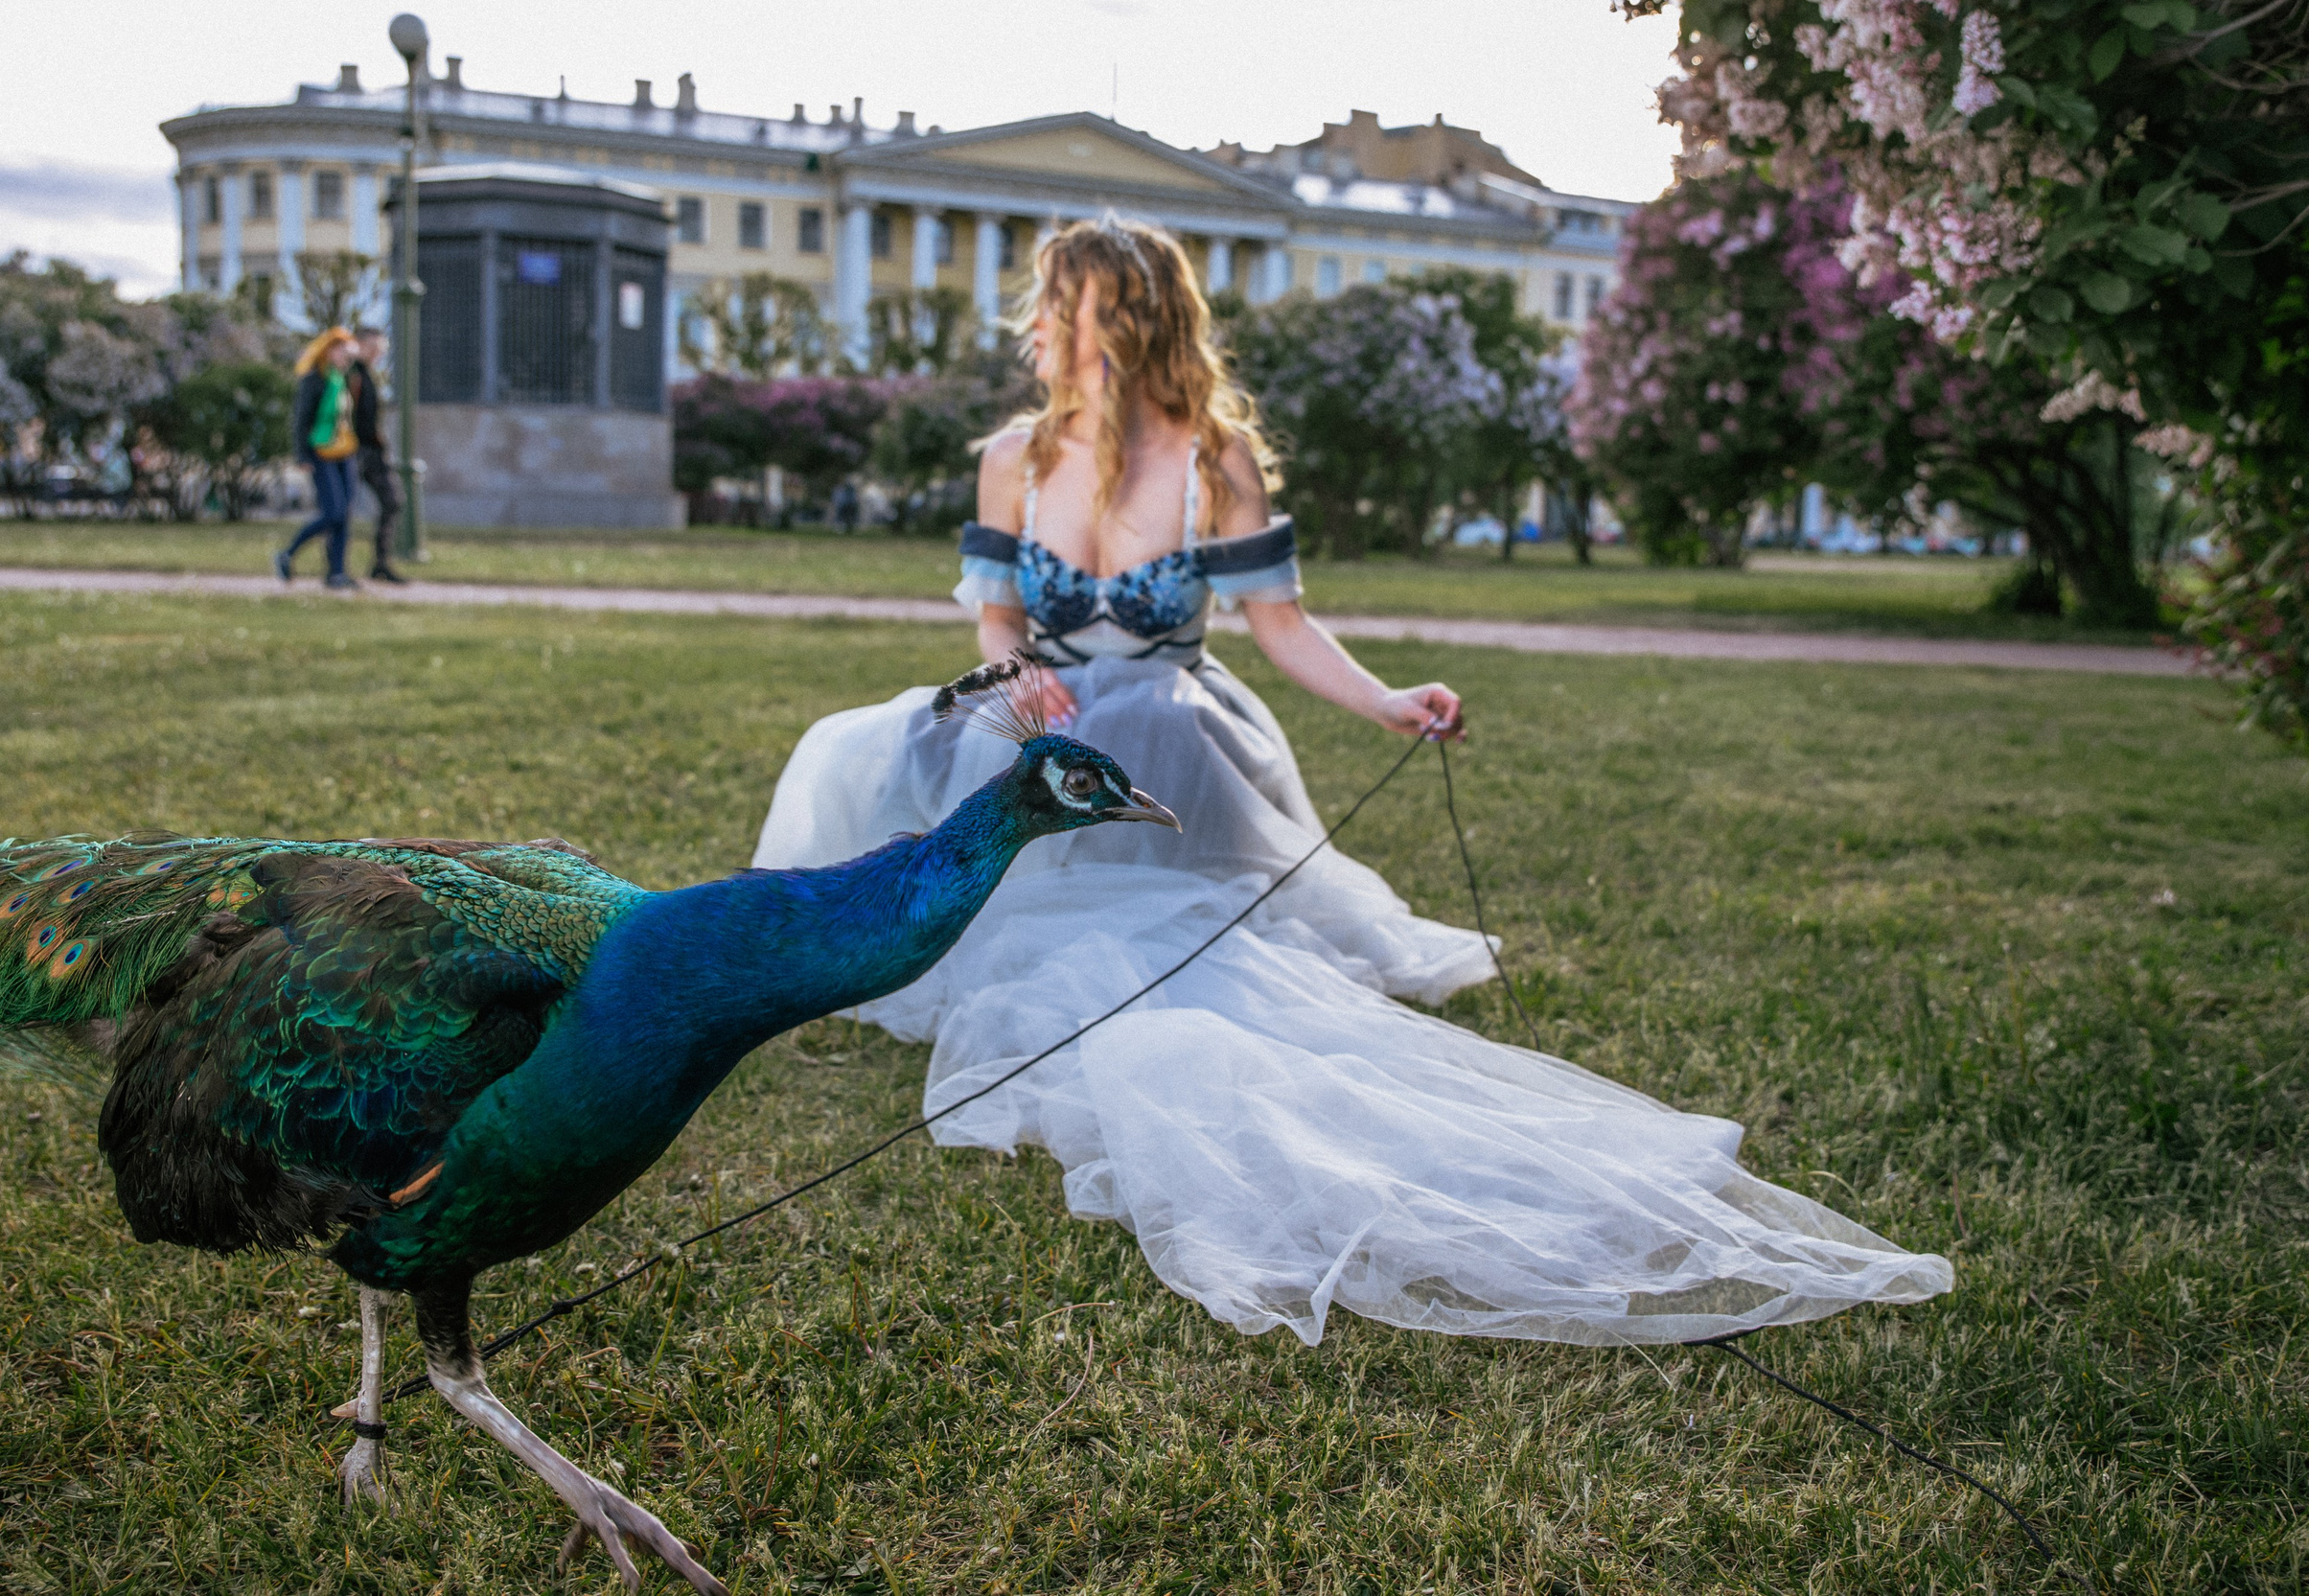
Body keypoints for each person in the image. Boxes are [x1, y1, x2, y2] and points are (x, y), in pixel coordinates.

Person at [752, 217, 1952, 1351]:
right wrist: (1015, 683)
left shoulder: (1212, 460)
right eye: (1048, 308)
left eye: (1063, 308)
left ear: (1126, 322)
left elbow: (1279, 627)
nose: (1041, 329)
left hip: (1176, 738)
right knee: (853, 756)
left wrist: (1386, 701)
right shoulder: (1011, 458)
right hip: (1038, 730)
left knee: (1167, 953)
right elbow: (996, 622)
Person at [278, 329, 360, 590]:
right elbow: (301, 419)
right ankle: (288, 552)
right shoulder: (314, 379)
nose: (345, 357)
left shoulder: (341, 378)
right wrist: (301, 454)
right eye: (340, 350)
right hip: (321, 452)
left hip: (345, 451)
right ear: (328, 350)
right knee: (333, 511)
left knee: (344, 514)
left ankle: (337, 572)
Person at [349, 327, 407, 584]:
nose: (379, 353)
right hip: (354, 451)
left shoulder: (371, 375)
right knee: (339, 509)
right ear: (360, 345)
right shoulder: (351, 375)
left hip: (373, 452)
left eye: (381, 349)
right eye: (374, 347)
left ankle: (381, 564)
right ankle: (335, 568)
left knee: (393, 501)